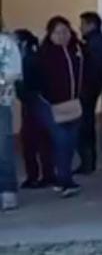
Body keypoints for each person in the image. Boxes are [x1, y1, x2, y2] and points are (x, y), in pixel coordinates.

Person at [38, 16, 84, 197]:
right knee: (62, 141)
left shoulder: (77, 51)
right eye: (57, 32)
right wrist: (46, 99)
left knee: (70, 143)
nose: (62, 36)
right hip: (52, 106)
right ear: (50, 35)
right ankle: (66, 180)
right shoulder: (44, 55)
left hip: (74, 104)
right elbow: (36, 81)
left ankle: (62, 177)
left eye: (65, 32)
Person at [14, 29, 54, 190]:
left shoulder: (26, 60)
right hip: (40, 102)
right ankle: (47, 174)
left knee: (30, 142)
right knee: (43, 140)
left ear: (23, 43)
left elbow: (24, 85)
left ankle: (34, 176)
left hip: (32, 103)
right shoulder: (36, 57)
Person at [75, 11, 102, 175]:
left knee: (85, 126)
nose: (80, 28)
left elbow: (93, 68)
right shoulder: (96, 42)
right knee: (85, 125)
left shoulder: (96, 44)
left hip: (87, 89)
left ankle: (88, 162)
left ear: (91, 25)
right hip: (90, 88)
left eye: (83, 24)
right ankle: (88, 162)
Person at [0, 17, 22, 211]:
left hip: (1, 103)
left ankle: (8, 190)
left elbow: (13, 73)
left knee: (3, 148)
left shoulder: (6, 43)